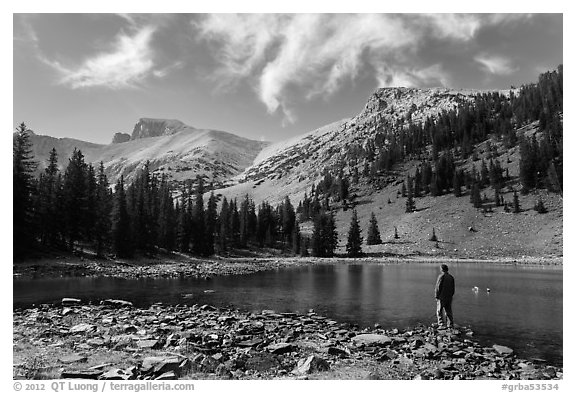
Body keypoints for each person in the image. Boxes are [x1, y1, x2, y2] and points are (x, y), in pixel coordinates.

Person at [435, 264, 455, 328]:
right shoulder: (451, 277)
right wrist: (451, 295)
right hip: (449, 297)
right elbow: (453, 288)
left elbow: (438, 287)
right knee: (448, 310)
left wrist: (436, 296)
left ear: (442, 269)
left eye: (440, 268)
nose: (440, 269)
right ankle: (450, 324)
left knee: (439, 311)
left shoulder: (441, 276)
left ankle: (441, 324)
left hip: (442, 297)